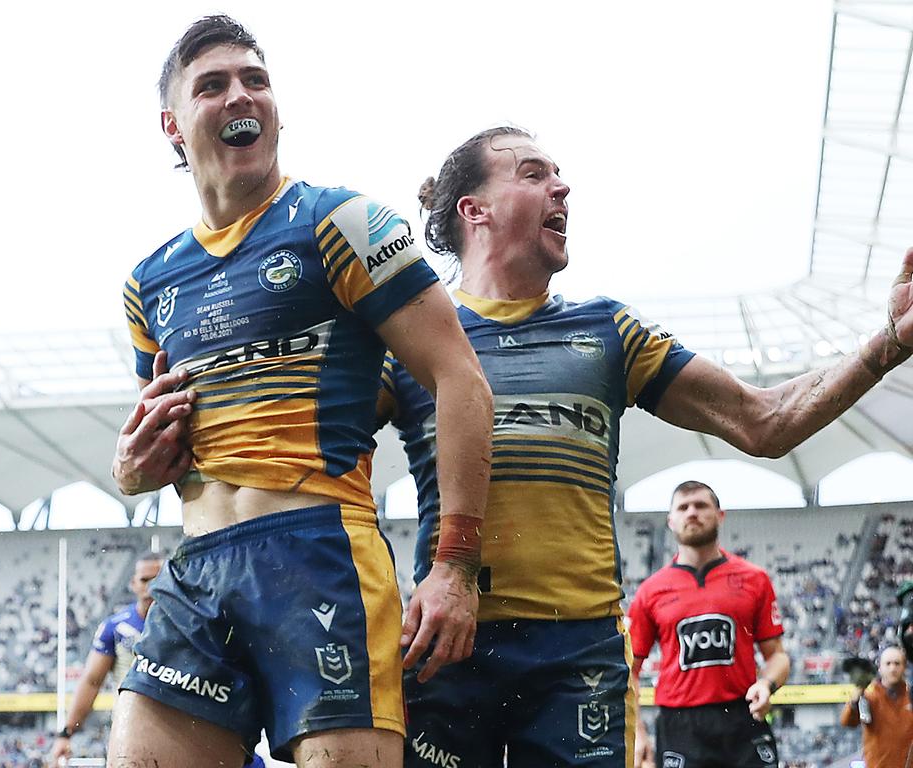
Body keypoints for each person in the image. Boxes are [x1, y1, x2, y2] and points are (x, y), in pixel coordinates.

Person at [378, 125, 913, 768]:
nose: (562, 185)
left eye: (558, 173)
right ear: (475, 209)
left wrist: (889, 343)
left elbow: (765, 421)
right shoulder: (412, 339)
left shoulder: (607, 331)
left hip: (577, 658)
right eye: (532, 172)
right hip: (449, 645)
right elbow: (322, 461)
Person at [109, 15, 492, 768]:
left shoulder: (341, 222)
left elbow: (461, 381)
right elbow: (160, 450)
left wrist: (454, 564)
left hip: (319, 553)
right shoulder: (148, 282)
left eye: (256, 80)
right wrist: (127, 469)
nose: (240, 94)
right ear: (172, 125)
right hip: (198, 569)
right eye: (211, 85)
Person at [628, 481, 791, 768]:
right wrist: (638, 732)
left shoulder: (754, 579)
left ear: (720, 514)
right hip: (680, 724)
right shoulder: (651, 590)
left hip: (743, 716)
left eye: (701, 505)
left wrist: (766, 684)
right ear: (671, 521)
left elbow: (777, 654)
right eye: (683, 507)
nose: (692, 512)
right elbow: (630, 669)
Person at [49, 552, 163, 767]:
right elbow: (92, 681)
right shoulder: (116, 627)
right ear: (133, 583)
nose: (151, 586)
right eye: (145, 579)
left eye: (157, 578)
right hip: (129, 727)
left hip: (175, 727)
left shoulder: (185, 625)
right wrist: (66, 733)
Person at [841, 645, 913, 768]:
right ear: (880, 668)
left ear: (904, 667)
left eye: (897, 663)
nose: (892, 668)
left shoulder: (911, 697)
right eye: (888, 664)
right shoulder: (870, 696)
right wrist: (854, 701)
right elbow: (848, 721)